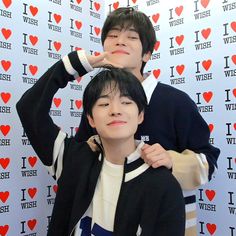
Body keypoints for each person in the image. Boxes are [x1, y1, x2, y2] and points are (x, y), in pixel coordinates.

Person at [72, 7, 220, 236]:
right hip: (105, 220)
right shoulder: (97, 103)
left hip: (163, 222)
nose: (120, 41)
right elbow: (80, 159)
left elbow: (208, 162)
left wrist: (172, 160)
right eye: (112, 36)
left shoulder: (176, 102)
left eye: (131, 37)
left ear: (147, 54)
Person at [16, 67, 185, 235]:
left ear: (140, 115)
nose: (115, 111)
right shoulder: (72, 160)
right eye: (104, 104)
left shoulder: (163, 184)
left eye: (126, 102)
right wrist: (79, 63)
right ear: (90, 119)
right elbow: (29, 108)